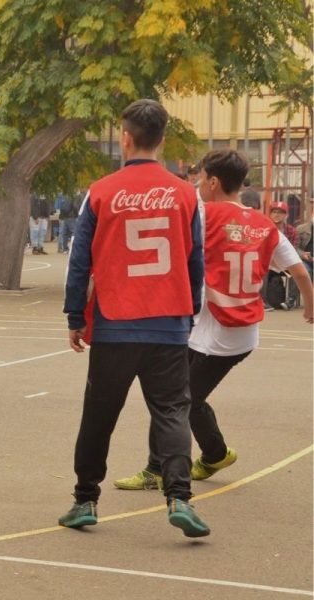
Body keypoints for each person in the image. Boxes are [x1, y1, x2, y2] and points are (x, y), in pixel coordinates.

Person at [114, 149, 313, 490]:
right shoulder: (265, 225)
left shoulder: (205, 216)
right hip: (239, 333)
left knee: (175, 400)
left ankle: (160, 469)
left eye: (200, 178)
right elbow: (300, 272)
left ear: (214, 181)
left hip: (216, 334)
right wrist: (309, 307)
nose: (196, 184)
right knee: (181, 396)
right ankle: (213, 454)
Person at [61, 99, 209, 537]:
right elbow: (196, 260)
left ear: (125, 137)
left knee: (99, 414)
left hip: (115, 321)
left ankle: (85, 500)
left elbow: (79, 260)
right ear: (162, 140)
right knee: (171, 412)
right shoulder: (186, 194)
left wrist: (74, 314)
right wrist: (191, 310)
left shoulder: (101, 191)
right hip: (168, 320)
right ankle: (179, 497)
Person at [297, 197, 313, 282]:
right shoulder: (301, 229)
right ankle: (293, 296)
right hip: (306, 262)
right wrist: (303, 254)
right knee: (302, 269)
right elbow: (294, 248)